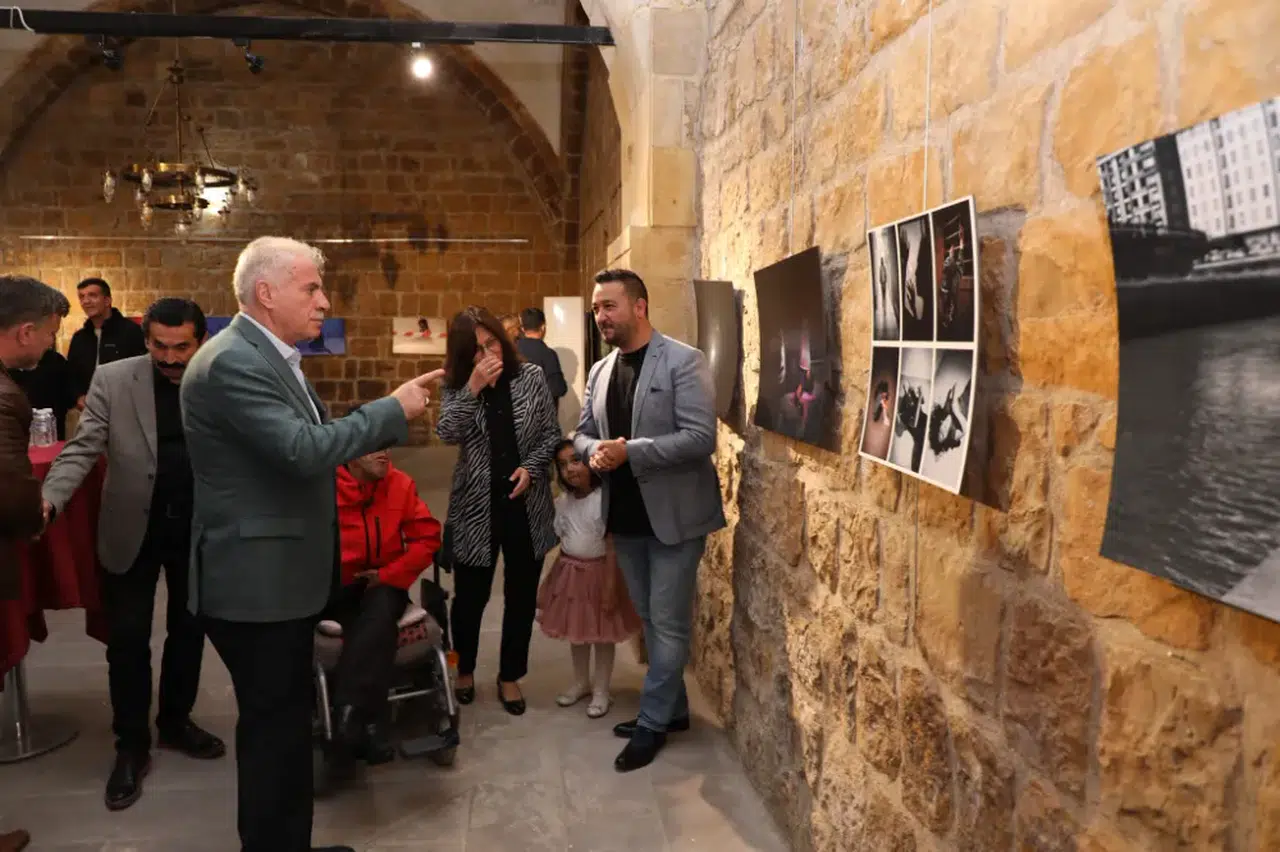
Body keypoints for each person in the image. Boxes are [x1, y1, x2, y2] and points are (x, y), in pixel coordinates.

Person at [180, 236, 443, 852]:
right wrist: (391, 410)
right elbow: (303, 451)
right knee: (274, 733)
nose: (324, 301)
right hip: (255, 586)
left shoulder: (267, 356)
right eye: (312, 289)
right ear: (266, 294)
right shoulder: (234, 363)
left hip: (281, 578)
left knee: (286, 728)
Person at [42, 298, 224, 811]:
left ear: (200, 341)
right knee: (127, 641)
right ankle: (131, 745)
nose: (169, 358)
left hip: (197, 531)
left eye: (180, 347)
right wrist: (50, 499)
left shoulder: (218, 379)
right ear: (146, 340)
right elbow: (82, 447)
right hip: (130, 529)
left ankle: (174, 723)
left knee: (190, 632)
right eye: (159, 346)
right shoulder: (114, 378)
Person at [573, 269, 725, 772]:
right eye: (597, 308)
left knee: (668, 621)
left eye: (609, 306)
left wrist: (629, 452)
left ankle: (653, 722)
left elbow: (701, 437)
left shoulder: (684, 361)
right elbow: (581, 433)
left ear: (640, 306)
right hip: (626, 518)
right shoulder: (599, 370)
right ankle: (674, 708)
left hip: (676, 519)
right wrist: (595, 451)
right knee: (650, 619)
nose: (601, 317)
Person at [436, 306, 560, 715]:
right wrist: (472, 386)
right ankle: (463, 669)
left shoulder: (531, 377)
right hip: (476, 506)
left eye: (492, 344)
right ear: (462, 356)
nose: (488, 355)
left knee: (521, 596)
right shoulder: (456, 386)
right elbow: (446, 432)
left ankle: (510, 676)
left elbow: (550, 435)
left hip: (526, 503)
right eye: (476, 350)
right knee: (469, 599)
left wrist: (532, 467)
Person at [0, 274, 70, 852]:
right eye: (48, 334)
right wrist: (38, 516)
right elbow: (11, 492)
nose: (50, 345)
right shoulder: (3, 395)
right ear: (24, 331)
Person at [330, 433, 442, 764]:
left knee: (378, 615)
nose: (385, 453)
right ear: (350, 453)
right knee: (363, 626)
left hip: (383, 582)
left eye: (387, 445)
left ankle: (348, 715)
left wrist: (388, 574)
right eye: (374, 446)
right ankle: (369, 724)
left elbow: (428, 538)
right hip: (335, 584)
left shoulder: (400, 484)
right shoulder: (322, 489)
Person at [537, 440, 641, 719]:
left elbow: (610, 545)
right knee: (577, 632)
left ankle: (602, 689)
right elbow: (564, 539)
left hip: (599, 574)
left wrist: (609, 585)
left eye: (575, 460)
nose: (569, 469)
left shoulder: (603, 500)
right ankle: (581, 682)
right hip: (570, 574)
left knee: (602, 634)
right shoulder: (564, 502)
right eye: (562, 465)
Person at [66, 278, 146, 410]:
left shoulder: (132, 332)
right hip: (90, 410)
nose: (86, 301)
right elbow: (71, 375)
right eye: (82, 297)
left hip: (125, 408)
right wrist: (78, 396)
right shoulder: (79, 338)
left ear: (107, 300)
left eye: (92, 295)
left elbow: (141, 372)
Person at [9, 346, 75, 440]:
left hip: (49, 435)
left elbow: (70, 398)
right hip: (12, 435)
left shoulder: (56, 361)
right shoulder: (6, 363)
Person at [516, 307, 568, 411]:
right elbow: (558, 389)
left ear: (522, 328)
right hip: (541, 419)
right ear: (543, 327)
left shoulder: (511, 351)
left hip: (514, 419)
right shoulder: (548, 354)